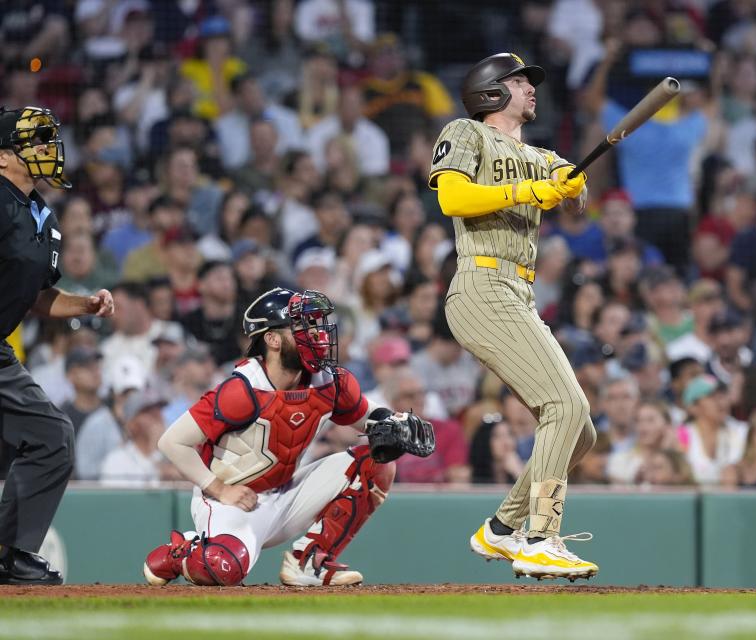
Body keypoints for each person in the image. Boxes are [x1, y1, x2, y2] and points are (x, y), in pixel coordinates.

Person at [142, 287, 434, 587]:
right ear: (272, 338)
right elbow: (172, 441)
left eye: (315, 323)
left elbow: (367, 417)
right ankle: (182, 551)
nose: (317, 333)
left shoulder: (329, 382)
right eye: (303, 325)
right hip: (233, 499)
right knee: (222, 568)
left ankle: (309, 561)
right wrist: (218, 488)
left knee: (378, 464)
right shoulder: (242, 390)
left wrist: (393, 422)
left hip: (286, 493)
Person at [431, 53, 596, 580]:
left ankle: (503, 529)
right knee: (564, 405)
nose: (530, 89)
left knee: (582, 432)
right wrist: (529, 190)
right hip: (480, 283)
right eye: (520, 80)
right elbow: (452, 198)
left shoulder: (539, 152)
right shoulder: (466, 132)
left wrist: (571, 186)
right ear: (491, 92)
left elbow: (576, 200)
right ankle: (542, 536)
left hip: (518, 291)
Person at [0, 106, 115, 585]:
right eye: (36, 142)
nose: (49, 150)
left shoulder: (40, 215)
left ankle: (9, 553)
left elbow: (39, 297)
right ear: (4, 157)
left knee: (45, 438)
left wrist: (84, 305)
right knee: (49, 436)